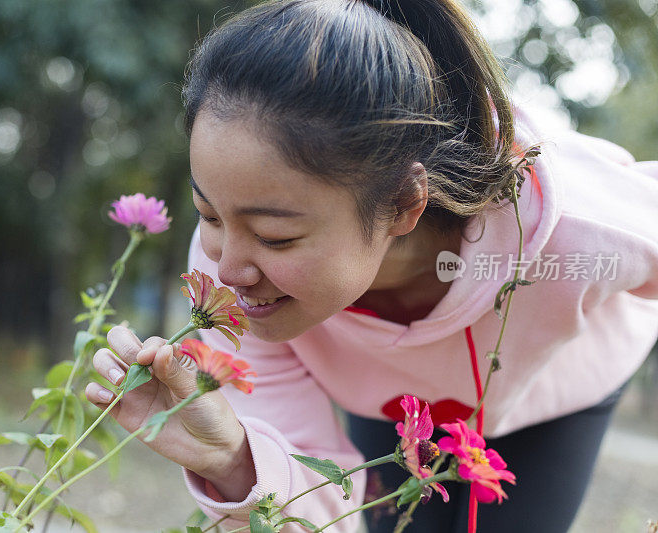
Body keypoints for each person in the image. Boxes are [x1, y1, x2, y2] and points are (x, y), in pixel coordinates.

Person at [84, 0, 658, 531]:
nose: (229, 270)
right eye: (207, 214)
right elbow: (320, 515)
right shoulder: (224, 287)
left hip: (557, 395)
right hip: (391, 409)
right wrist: (233, 457)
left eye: (275, 236)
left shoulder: (578, 227)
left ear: (405, 203)